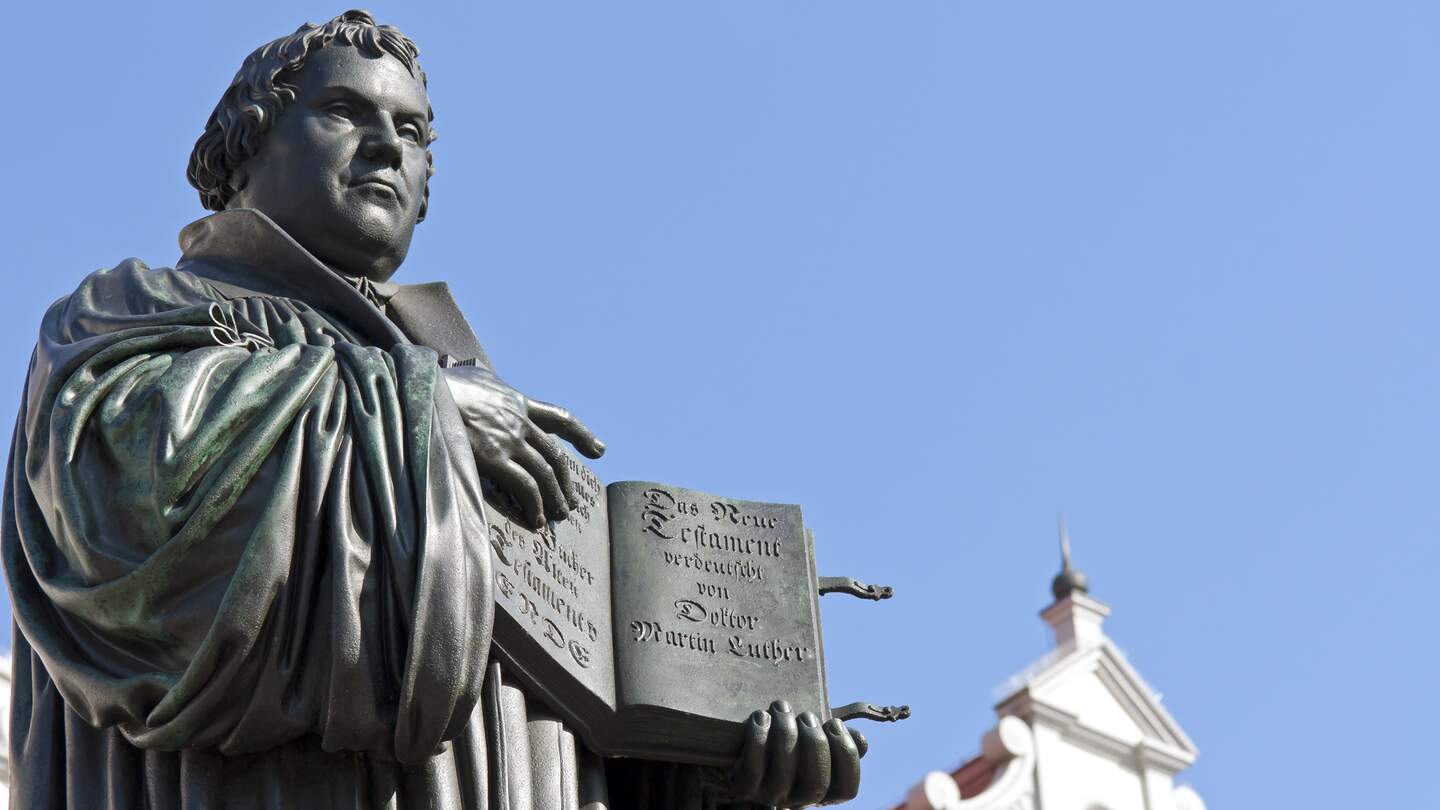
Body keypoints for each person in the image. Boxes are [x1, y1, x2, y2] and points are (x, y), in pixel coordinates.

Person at [3, 10, 865, 809]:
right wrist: (425, 412)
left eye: (411, 131)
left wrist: (711, 779)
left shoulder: (479, 401)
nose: (386, 145)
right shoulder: (133, 310)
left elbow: (550, 748)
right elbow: (119, 503)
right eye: (344, 112)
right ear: (247, 148)